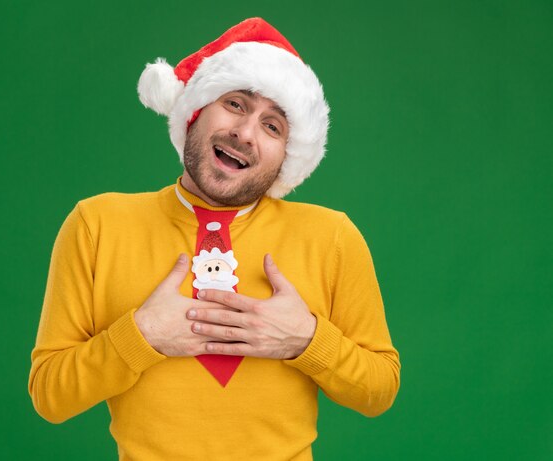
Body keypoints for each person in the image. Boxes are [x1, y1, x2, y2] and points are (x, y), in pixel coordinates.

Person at [29, 17, 400, 461]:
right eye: (235, 103)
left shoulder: (333, 237)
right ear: (195, 111)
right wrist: (141, 335)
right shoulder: (96, 224)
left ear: (287, 159)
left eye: (273, 126)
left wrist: (306, 340)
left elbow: (379, 390)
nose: (244, 133)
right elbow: (50, 396)